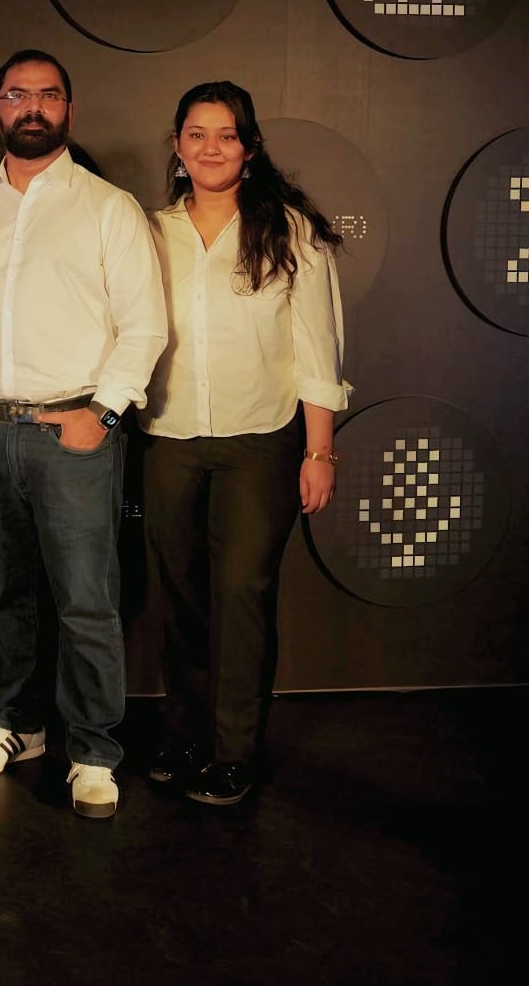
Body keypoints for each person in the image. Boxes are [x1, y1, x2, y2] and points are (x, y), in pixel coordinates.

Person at [0, 48, 167, 819]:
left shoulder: (109, 207)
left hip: (75, 429)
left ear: (68, 111)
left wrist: (105, 413)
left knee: (86, 599)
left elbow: (145, 325)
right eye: (17, 94)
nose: (33, 106)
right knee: (2, 593)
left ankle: (93, 749)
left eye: (48, 95)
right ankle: (15, 724)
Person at [140, 80, 351, 807]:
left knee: (241, 594)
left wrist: (318, 452)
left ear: (251, 147)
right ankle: (185, 734)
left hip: (262, 442)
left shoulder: (291, 231)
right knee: (181, 596)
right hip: (168, 437)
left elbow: (318, 350)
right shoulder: (148, 232)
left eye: (226, 135)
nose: (211, 148)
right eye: (196, 134)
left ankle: (234, 751)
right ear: (177, 146)